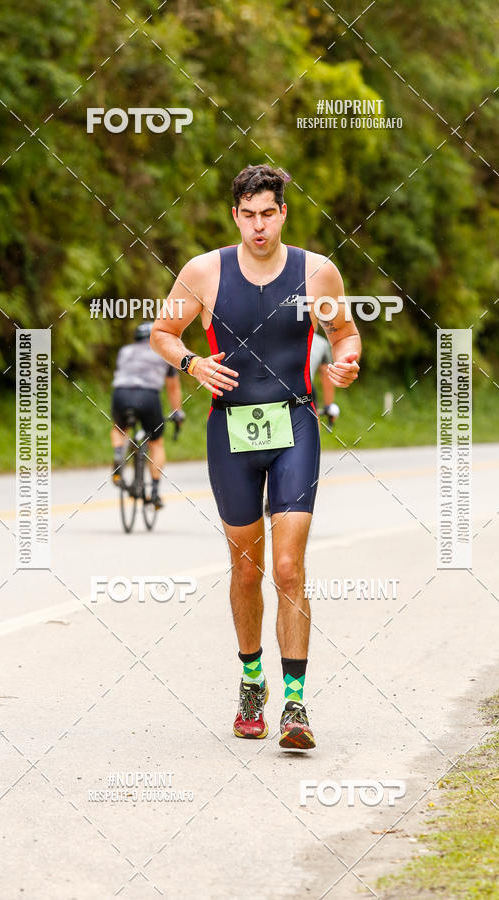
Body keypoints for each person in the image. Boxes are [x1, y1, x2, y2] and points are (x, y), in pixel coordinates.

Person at [151, 164, 360, 749]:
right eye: (249, 215)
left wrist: (346, 359)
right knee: (247, 569)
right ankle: (251, 681)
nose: (259, 226)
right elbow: (163, 334)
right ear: (234, 215)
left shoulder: (317, 272)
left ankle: (295, 704)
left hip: (295, 423)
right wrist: (192, 364)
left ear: (283, 213)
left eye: (269, 213)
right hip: (231, 431)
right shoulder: (204, 271)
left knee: (289, 567)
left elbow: (344, 333)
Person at [111, 322, 184, 508]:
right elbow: (173, 387)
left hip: (121, 393)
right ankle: (155, 492)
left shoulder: (125, 351)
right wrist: (177, 412)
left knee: (119, 428)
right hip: (148, 396)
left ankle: (118, 453)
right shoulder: (163, 353)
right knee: (156, 443)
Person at [310, 332, 340, 425]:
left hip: (271, 383)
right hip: (304, 385)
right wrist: (328, 407)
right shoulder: (322, 343)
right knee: (312, 422)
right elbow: (327, 379)